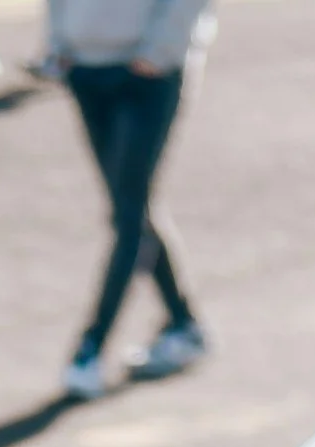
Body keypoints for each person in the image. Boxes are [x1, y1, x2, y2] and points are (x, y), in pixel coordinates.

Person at [47, 0, 212, 401]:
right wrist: (57, 44)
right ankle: (184, 324)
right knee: (131, 210)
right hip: (85, 68)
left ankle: (91, 347)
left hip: (146, 75)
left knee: (129, 215)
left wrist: (161, 50)